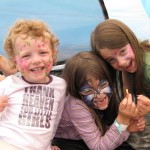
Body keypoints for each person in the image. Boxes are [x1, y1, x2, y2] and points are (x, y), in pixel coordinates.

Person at [53, 51, 145, 150]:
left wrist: (127, 128)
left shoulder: (99, 98)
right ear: (76, 90)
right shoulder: (76, 107)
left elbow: (103, 132)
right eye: (88, 90)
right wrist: (122, 120)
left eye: (103, 85)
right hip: (68, 142)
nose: (100, 95)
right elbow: (99, 147)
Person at [0, 19, 66, 150]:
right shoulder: (8, 84)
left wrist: (48, 144)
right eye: (26, 56)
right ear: (15, 62)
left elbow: (56, 118)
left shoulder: (60, 85)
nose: (36, 60)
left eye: (43, 52)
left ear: (53, 54)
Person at [91, 19, 150, 150]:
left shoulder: (147, 67)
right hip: (133, 141)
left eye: (122, 51)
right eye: (112, 60)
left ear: (131, 39)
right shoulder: (118, 73)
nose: (121, 62)